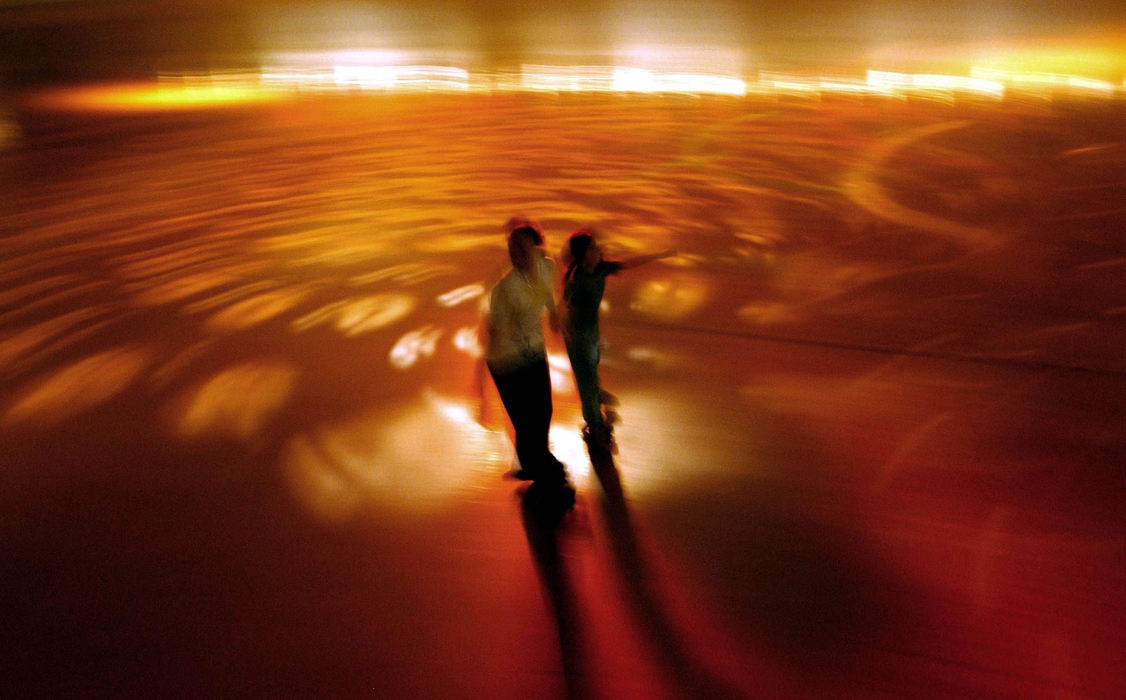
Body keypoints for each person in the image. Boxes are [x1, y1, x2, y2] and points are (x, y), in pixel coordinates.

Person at [477, 219, 572, 490]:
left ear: (536, 247)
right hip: (505, 360)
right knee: (526, 420)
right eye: (511, 249)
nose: (514, 254)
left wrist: (556, 320)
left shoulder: (547, 267)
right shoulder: (504, 290)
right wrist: (482, 391)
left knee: (544, 412)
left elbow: (549, 297)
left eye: (521, 248)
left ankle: (535, 463)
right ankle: (540, 470)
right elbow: (492, 335)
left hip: (533, 349)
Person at [561, 227, 675, 453]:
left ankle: (597, 402)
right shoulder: (577, 281)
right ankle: (597, 430)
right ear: (584, 254)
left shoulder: (599, 269)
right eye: (594, 247)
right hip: (578, 339)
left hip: (591, 334)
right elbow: (566, 311)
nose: (599, 249)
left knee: (590, 377)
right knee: (586, 384)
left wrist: (659, 254)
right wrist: (569, 334)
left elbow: (628, 262)